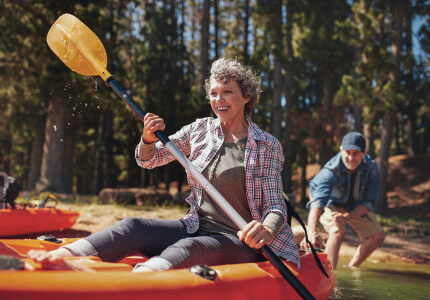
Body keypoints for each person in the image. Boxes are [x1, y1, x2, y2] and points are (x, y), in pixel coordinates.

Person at [24, 57, 299, 272]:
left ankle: (140, 282)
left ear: (247, 96)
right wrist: (146, 139)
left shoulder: (266, 144)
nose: (218, 100)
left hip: (241, 240)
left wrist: (267, 228)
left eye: (227, 92)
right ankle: (58, 257)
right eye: (214, 93)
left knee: (189, 248)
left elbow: (275, 206)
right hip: (196, 225)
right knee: (133, 226)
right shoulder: (200, 130)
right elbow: (150, 159)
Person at [300, 132, 386, 269]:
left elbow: (369, 203)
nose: (351, 157)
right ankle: (328, 275)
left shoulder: (372, 168)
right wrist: (312, 231)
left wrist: (347, 217)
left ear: (364, 153)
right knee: (337, 231)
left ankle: (352, 268)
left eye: (356, 153)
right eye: (348, 152)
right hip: (329, 202)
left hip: (353, 205)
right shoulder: (331, 169)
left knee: (378, 235)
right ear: (341, 150)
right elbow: (318, 201)